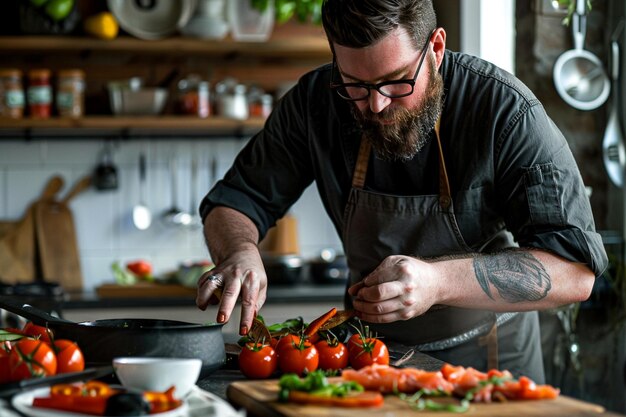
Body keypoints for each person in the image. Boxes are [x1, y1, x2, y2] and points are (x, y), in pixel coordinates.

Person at [196, 0, 607, 383]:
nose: (374, 105)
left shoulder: (504, 111)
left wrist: (436, 281)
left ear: (436, 48)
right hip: (367, 356)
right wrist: (240, 252)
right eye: (354, 84)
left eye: (395, 82)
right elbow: (233, 201)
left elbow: (575, 270)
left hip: (490, 361)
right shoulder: (314, 104)